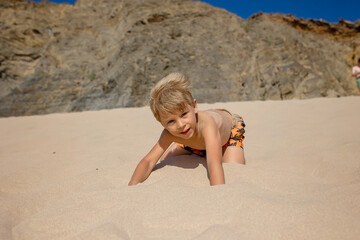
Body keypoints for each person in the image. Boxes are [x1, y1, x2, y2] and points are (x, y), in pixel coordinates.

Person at [128, 72, 246, 186]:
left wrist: (218, 194)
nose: (180, 125)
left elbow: (214, 164)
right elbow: (148, 161)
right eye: (171, 121)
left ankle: (207, 150)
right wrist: (132, 186)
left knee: (233, 165)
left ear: (194, 107)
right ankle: (203, 150)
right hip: (193, 137)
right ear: (162, 123)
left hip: (229, 134)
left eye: (184, 114)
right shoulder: (172, 132)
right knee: (166, 160)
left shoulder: (208, 126)